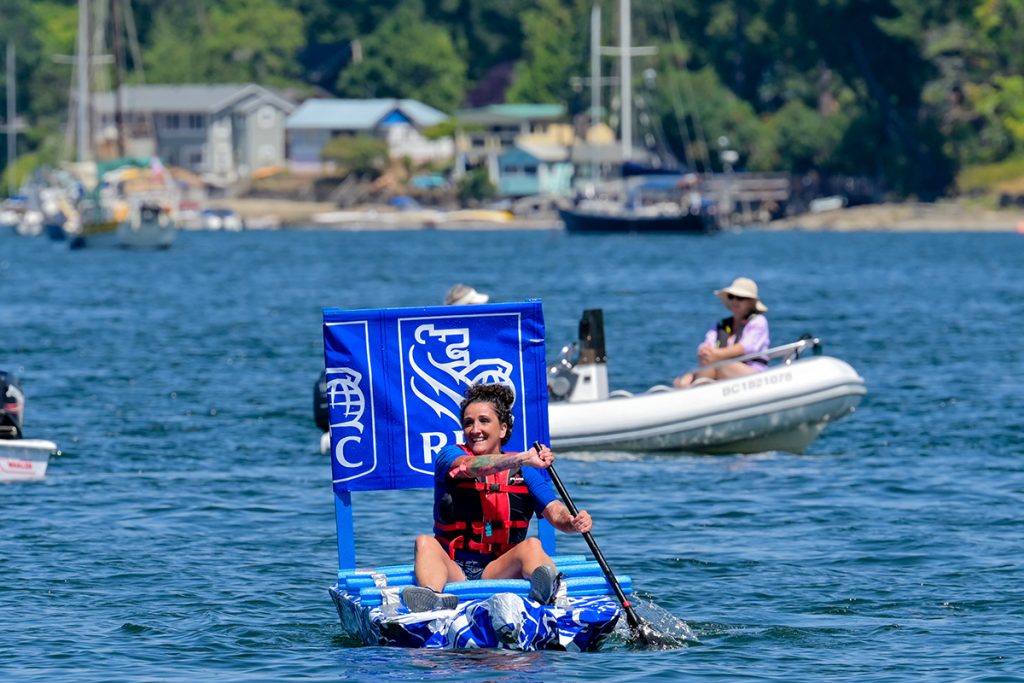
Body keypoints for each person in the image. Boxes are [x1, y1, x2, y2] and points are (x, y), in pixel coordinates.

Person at [401, 383, 592, 612]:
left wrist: (572, 521)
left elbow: (554, 510)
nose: (474, 429)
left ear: (502, 429)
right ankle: (432, 599)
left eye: (483, 421)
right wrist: (521, 459)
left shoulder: (526, 472)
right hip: (453, 570)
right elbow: (473, 467)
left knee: (532, 545)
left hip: (498, 570)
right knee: (425, 543)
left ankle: (548, 593)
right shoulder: (450, 455)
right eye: (468, 422)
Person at [672, 277, 770, 388]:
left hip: (753, 374)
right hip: (719, 367)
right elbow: (707, 345)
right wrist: (705, 351)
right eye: (731, 297)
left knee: (716, 363)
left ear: (751, 302)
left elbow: (744, 348)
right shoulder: (721, 325)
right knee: (684, 380)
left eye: (740, 298)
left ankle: (698, 394)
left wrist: (715, 355)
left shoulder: (758, 322)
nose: (735, 301)